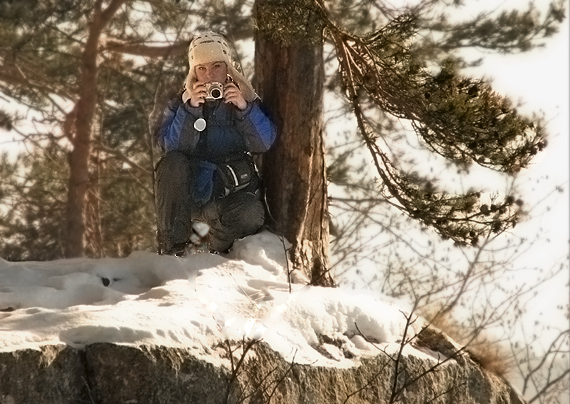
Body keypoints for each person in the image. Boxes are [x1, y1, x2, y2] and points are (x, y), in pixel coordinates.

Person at [155, 32, 276, 256]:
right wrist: (190, 109)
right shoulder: (179, 105)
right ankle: (173, 250)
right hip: (190, 197)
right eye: (202, 68)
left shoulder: (245, 100)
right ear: (193, 72)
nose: (209, 75)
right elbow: (170, 148)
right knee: (172, 163)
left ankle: (219, 250)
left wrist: (243, 108)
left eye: (217, 66)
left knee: (251, 212)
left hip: (227, 197)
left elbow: (265, 142)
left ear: (228, 67)